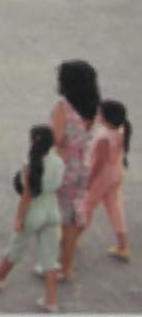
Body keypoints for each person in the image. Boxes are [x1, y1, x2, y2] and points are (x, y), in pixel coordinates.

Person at [0, 125, 63, 311]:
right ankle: (51, 300)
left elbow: (27, 195)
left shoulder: (30, 164)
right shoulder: (58, 161)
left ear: (33, 141)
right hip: (52, 209)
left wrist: (19, 218)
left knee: (16, 247)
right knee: (50, 257)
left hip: (34, 211)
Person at [51, 59, 100, 279]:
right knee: (72, 214)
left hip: (64, 168)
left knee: (64, 218)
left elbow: (57, 139)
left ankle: (64, 265)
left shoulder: (63, 108)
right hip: (82, 166)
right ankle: (65, 258)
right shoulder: (94, 107)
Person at [81, 98, 131, 262]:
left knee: (87, 205)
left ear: (106, 117)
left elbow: (98, 163)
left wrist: (89, 181)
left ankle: (74, 237)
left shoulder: (104, 137)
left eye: (100, 113)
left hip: (103, 175)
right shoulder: (121, 130)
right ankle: (123, 246)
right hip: (116, 171)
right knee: (115, 207)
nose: (98, 115)